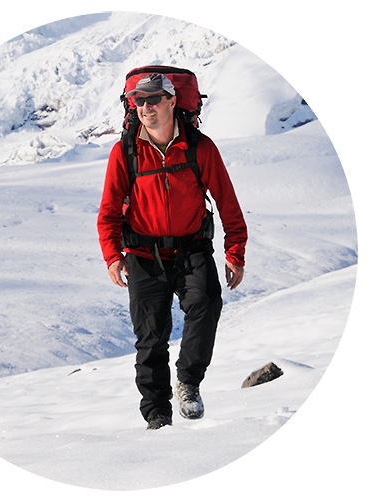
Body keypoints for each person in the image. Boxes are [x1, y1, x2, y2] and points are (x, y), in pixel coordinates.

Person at [97, 73, 247, 429]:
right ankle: (157, 416)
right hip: (143, 254)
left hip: (191, 247)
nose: (146, 107)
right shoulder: (126, 151)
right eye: (139, 101)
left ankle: (189, 382)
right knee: (150, 337)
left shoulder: (200, 147)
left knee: (206, 303)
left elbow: (228, 204)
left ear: (171, 101)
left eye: (153, 100)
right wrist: (113, 255)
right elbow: (109, 209)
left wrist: (235, 251)